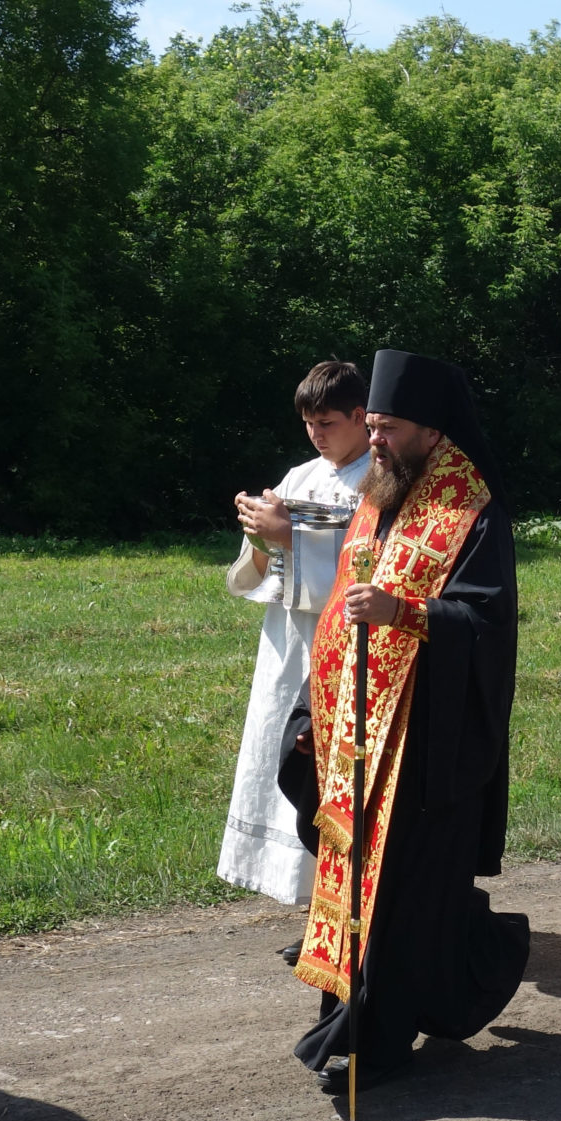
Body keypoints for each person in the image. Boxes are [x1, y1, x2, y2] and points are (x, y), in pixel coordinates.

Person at [286, 349, 529, 1095]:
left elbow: (487, 624)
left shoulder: (472, 510)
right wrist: (313, 709)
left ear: (431, 429)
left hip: (425, 742)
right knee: (363, 885)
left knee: (401, 896)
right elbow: (341, 609)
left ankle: (378, 1042)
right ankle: (366, 1012)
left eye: (388, 429)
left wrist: (406, 612)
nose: (376, 441)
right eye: (374, 427)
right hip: (357, 731)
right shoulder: (381, 494)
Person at [221, 361, 371, 946]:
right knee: (286, 761)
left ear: (360, 416)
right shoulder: (300, 475)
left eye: (327, 422)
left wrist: (288, 536)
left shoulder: (379, 479)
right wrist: (259, 538)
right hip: (287, 644)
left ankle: (349, 914)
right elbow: (263, 571)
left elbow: (368, 563)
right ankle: (315, 914)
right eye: (309, 423)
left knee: (327, 768)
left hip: (339, 641)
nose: (316, 434)